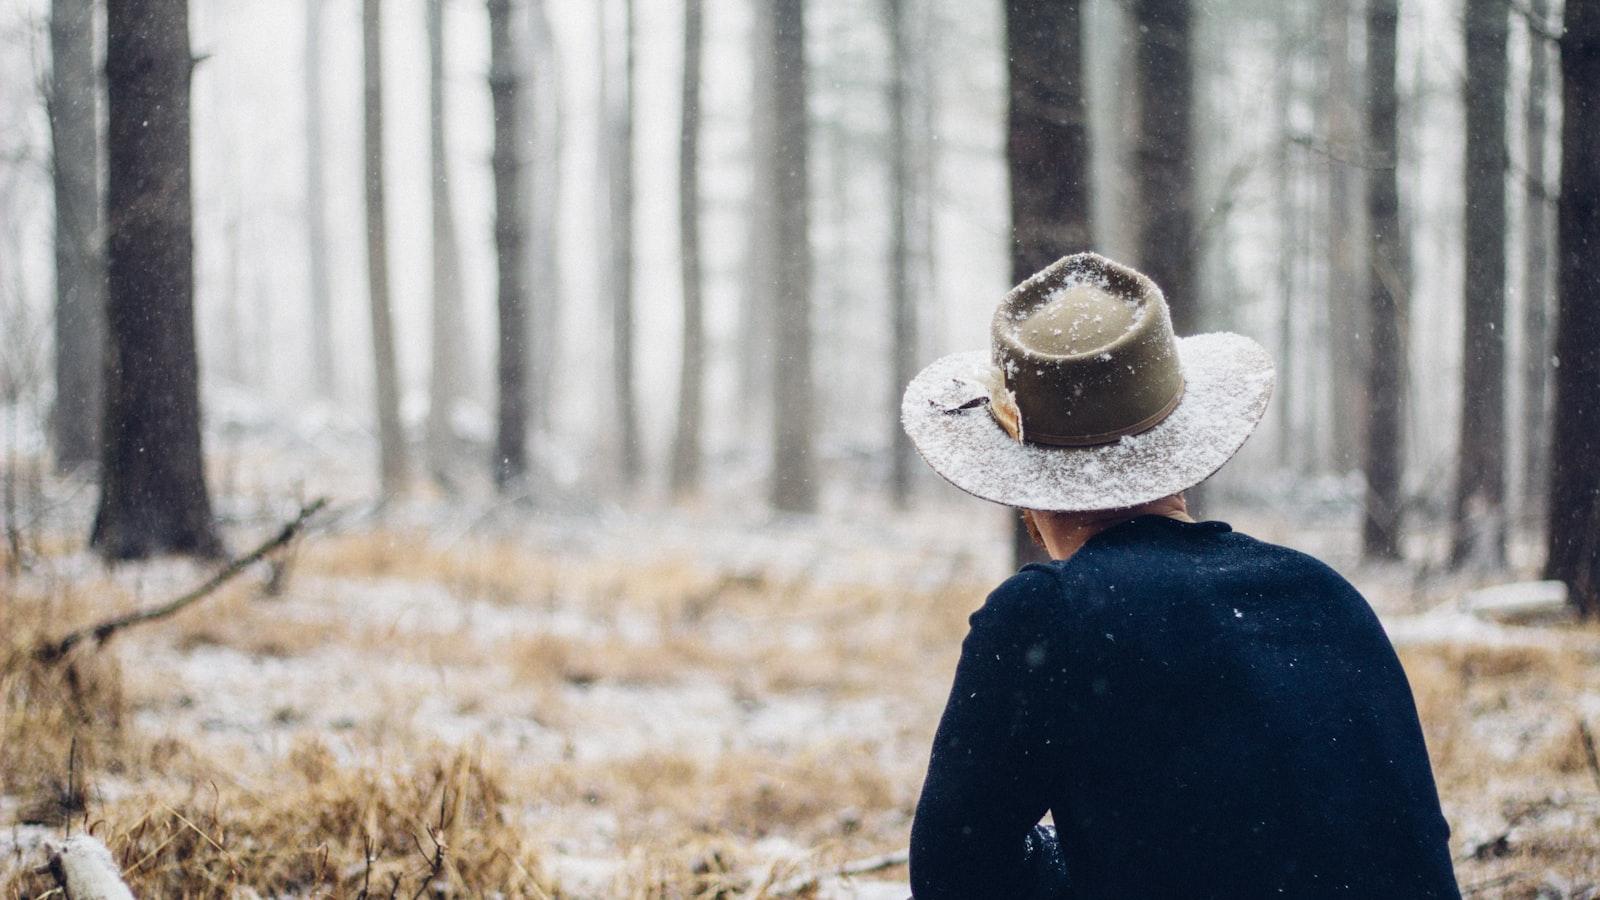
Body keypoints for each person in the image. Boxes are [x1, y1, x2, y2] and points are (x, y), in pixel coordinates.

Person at [898, 253, 1459, 898]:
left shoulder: (1050, 618)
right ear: (1178, 446)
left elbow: (954, 874)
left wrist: (1073, 861)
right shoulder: (1325, 593)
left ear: (1025, 492)